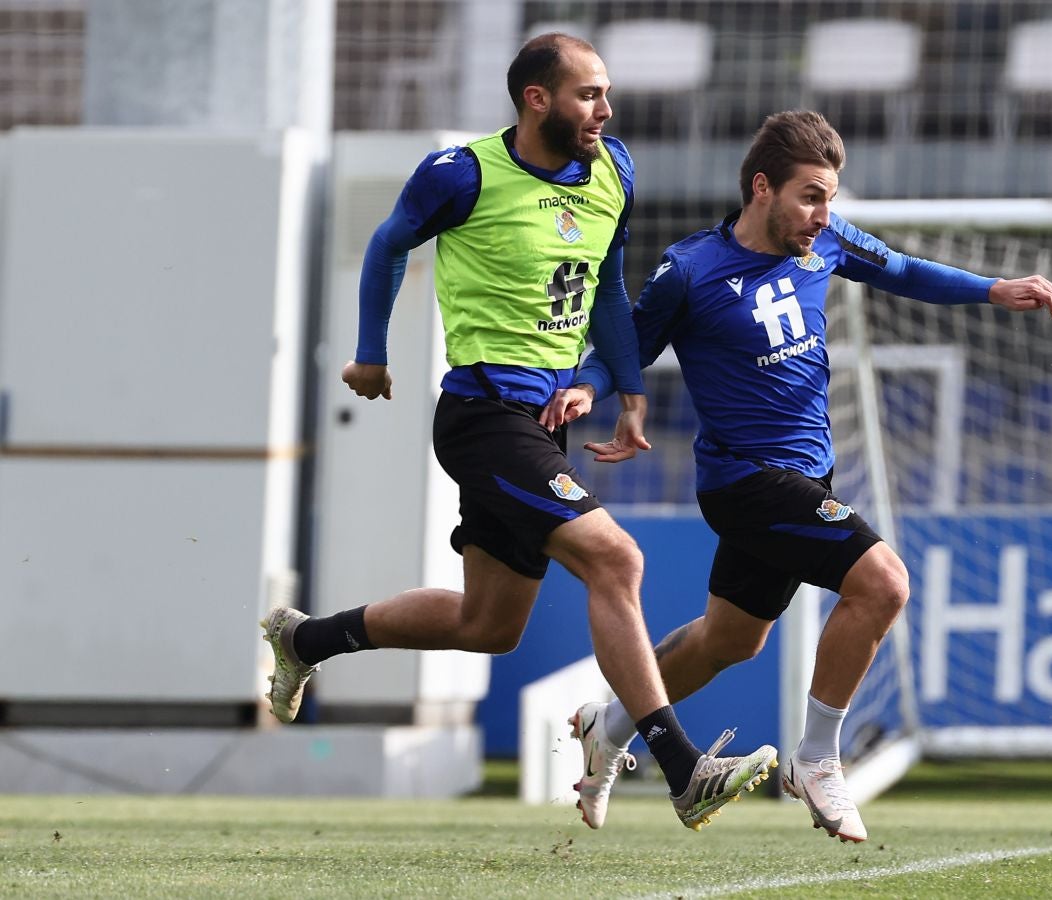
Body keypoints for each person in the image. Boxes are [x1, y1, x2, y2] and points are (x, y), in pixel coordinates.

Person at [258, 33, 776, 832]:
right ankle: (681, 768)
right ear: (537, 99)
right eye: (587, 95)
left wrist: (627, 390)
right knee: (617, 558)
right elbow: (388, 244)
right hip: (483, 417)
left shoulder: (613, 171)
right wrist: (370, 351)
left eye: (605, 93)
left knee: (488, 625)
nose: (604, 109)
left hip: (541, 426)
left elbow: (605, 286)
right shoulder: (460, 174)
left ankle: (307, 640)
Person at [545, 110, 1052, 842]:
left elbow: (904, 270)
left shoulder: (825, 244)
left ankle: (605, 724)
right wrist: (588, 389)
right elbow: (626, 349)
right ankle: (818, 758)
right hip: (743, 481)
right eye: (811, 197)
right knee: (884, 582)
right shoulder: (691, 269)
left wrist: (994, 289)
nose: (824, 215)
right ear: (762, 188)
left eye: (831, 199)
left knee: (731, 641)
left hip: (807, 477)